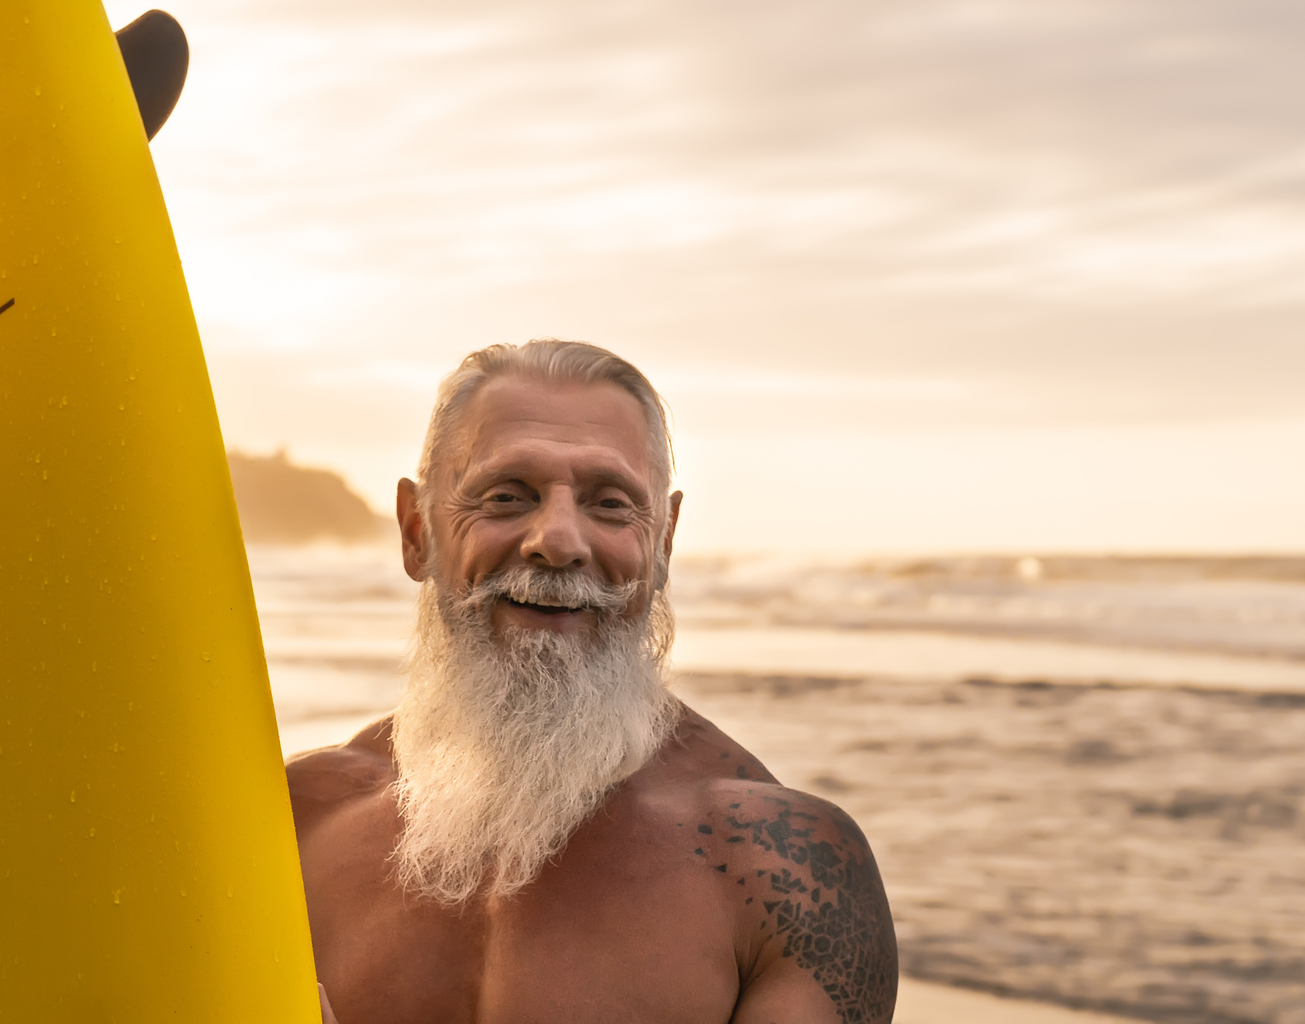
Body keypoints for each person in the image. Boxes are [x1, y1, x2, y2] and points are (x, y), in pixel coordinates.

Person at [289, 340, 897, 1024]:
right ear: (414, 530)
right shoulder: (297, 821)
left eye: (609, 504)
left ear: (661, 543)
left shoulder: (784, 869)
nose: (557, 540)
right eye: (505, 495)